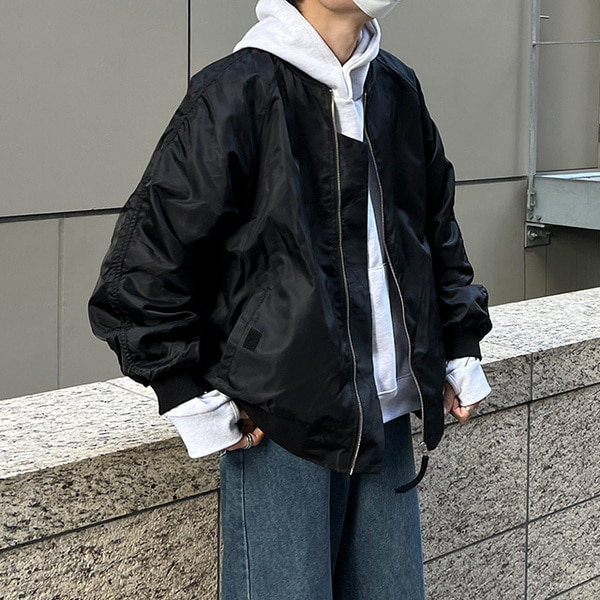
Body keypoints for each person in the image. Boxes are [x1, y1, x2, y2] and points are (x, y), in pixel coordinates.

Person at [89, 0, 492, 597]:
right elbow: (142, 271)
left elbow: (434, 232)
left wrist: (456, 347)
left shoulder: (394, 87)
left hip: (386, 415)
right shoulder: (237, 92)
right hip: (281, 426)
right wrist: (188, 394)